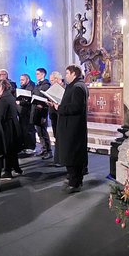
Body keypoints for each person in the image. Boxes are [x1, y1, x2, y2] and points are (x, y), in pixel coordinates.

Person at [51, 65, 88, 193]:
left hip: (73, 127)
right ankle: (74, 180)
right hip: (70, 125)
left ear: (74, 74)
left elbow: (76, 107)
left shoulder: (78, 87)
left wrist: (59, 108)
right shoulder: (74, 86)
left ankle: (75, 182)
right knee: (70, 154)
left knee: (72, 155)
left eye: (67, 73)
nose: (65, 76)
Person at [0, 79, 23, 180]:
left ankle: (7, 171)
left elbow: (1, 116)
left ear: (1, 87)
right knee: (12, 149)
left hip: (7, 126)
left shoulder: (3, 99)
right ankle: (17, 168)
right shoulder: (10, 96)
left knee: (7, 149)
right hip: (13, 125)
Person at [31, 68, 52, 159]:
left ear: (43, 74)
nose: (36, 75)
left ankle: (49, 151)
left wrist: (41, 104)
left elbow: (45, 97)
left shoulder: (46, 85)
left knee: (43, 131)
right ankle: (43, 149)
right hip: (36, 110)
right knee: (39, 132)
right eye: (36, 74)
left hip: (42, 110)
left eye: (38, 74)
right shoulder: (38, 84)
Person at [48, 71, 65, 167]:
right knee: (56, 136)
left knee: (60, 137)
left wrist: (56, 105)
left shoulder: (64, 89)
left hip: (61, 115)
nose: (51, 83)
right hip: (54, 113)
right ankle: (58, 158)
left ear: (58, 80)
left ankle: (61, 159)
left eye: (52, 80)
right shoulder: (53, 88)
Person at [17, 74, 36, 154]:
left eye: (22, 80)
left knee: (29, 130)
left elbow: (28, 99)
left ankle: (30, 146)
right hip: (22, 112)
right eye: (20, 80)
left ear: (27, 80)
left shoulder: (31, 87)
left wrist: (20, 101)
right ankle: (24, 146)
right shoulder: (22, 87)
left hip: (28, 112)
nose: (21, 81)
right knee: (23, 130)